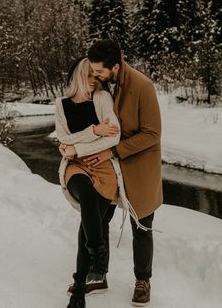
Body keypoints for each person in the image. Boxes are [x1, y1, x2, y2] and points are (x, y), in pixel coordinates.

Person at [83, 39, 163, 307]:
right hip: (107, 168)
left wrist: (114, 151)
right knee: (98, 219)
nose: (94, 75)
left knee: (141, 226)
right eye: (92, 71)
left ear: (115, 66)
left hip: (138, 166)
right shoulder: (100, 86)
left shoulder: (143, 86)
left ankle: (143, 281)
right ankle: (98, 273)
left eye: (99, 71)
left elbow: (152, 134)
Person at [55, 57, 129, 308]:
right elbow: (62, 137)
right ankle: (97, 252)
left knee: (87, 223)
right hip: (75, 167)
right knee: (86, 196)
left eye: (97, 76)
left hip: (103, 167)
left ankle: (79, 287)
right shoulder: (61, 104)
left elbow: (114, 136)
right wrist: (94, 132)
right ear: (77, 75)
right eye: (88, 75)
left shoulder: (102, 98)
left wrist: (76, 147)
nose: (94, 80)